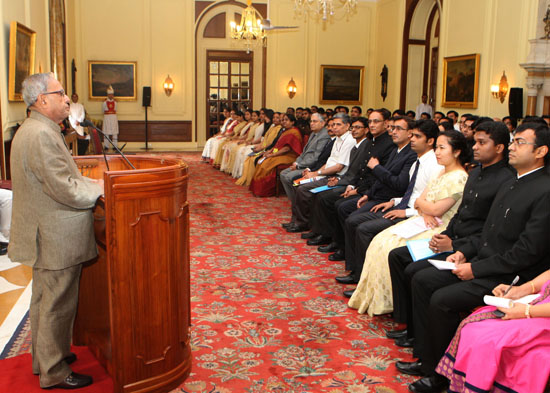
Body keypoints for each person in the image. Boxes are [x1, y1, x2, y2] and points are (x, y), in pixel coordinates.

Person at [403, 122, 550, 393]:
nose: (513, 148)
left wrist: (475, 268)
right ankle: (427, 358)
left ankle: (442, 375)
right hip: (485, 261)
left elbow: (527, 251)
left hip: (511, 275)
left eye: (520, 143)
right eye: (514, 141)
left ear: (541, 151)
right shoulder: (513, 181)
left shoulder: (544, 189)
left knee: (442, 299)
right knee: (422, 277)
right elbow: (487, 231)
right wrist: (463, 252)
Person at [9, 72, 104, 389]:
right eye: (60, 93)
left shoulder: (37, 129)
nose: (67, 99)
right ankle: (54, 372)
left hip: (46, 230)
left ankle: (48, 357)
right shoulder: (40, 135)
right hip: (54, 234)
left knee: (43, 300)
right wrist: (100, 189)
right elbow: (64, 187)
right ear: (42, 100)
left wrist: (91, 184)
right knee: (56, 304)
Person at [387, 121, 515, 348]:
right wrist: (445, 235)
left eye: (481, 142)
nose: (474, 147)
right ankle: (409, 327)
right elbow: (460, 214)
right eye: (474, 141)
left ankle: (423, 340)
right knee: (398, 256)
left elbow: (488, 227)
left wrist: (455, 245)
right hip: (453, 237)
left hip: (468, 247)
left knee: (418, 274)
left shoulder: (505, 180)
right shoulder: (476, 174)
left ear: (500, 148)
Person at [347, 130, 469, 313]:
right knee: (380, 241)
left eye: (442, 148)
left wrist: (426, 208)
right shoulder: (441, 172)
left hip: (439, 227)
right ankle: (374, 295)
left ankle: (392, 301)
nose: (437, 152)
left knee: (391, 248)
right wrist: (426, 208)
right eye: (436, 148)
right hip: (424, 219)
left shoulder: (460, 177)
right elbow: (420, 201)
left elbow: (437, 210)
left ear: (457, 151)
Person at [436, 269, 550, 393]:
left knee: (489, 340)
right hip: (542, 302)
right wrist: (523, 289)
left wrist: (527, 312)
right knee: (473, 327)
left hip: (542, 315)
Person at [279, 113, 331, 207]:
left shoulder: (324, 135)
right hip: (302, 163)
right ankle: (295, 201)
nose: (311, 123)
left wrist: (299, 165)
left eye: (315, 121)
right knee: (283, 173)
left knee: (288, 177)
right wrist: (296, 162)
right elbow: (304, 152)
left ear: (323, 123)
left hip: (310, 166)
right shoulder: (313, 133)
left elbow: (316, 157)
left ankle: (297, 203)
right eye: (311, 121)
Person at [249, 114, 303, 197]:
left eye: (286, 120)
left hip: (290, 156)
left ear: (292, 122)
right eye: (283, 120)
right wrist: (269, 152)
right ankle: (257, 189)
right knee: (261, 161)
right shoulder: (285, 130)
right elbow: (277, 145)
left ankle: (265, 191)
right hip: (280, 153)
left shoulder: (294, 132)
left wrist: (272, 155)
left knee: (267, 164)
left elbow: (286, 149)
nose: (284, 121)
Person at [236, 112, 282, 186]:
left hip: (269, 149)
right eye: (274, 117)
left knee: (255, 159)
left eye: (277, 118)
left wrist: (262, 148)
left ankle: (255, 182)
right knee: (249, 158)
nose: (275, 119)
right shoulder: (272, 127)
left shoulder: (279, 129)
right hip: (264, 147)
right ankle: (249, 180)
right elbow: (265, 140)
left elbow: (272, 143)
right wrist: (259, 146)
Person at [102, 85, 119, 150]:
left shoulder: (115, 102)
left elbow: (116, 109)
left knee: (114, 132)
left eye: (112, 94)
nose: (111, 96)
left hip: (114, 118)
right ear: (108, 95)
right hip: (107, 118)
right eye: (109, 94)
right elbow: (103, 110)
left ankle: (115, 145)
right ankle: (106, 146)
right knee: (106, 132)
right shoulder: (104, 103)